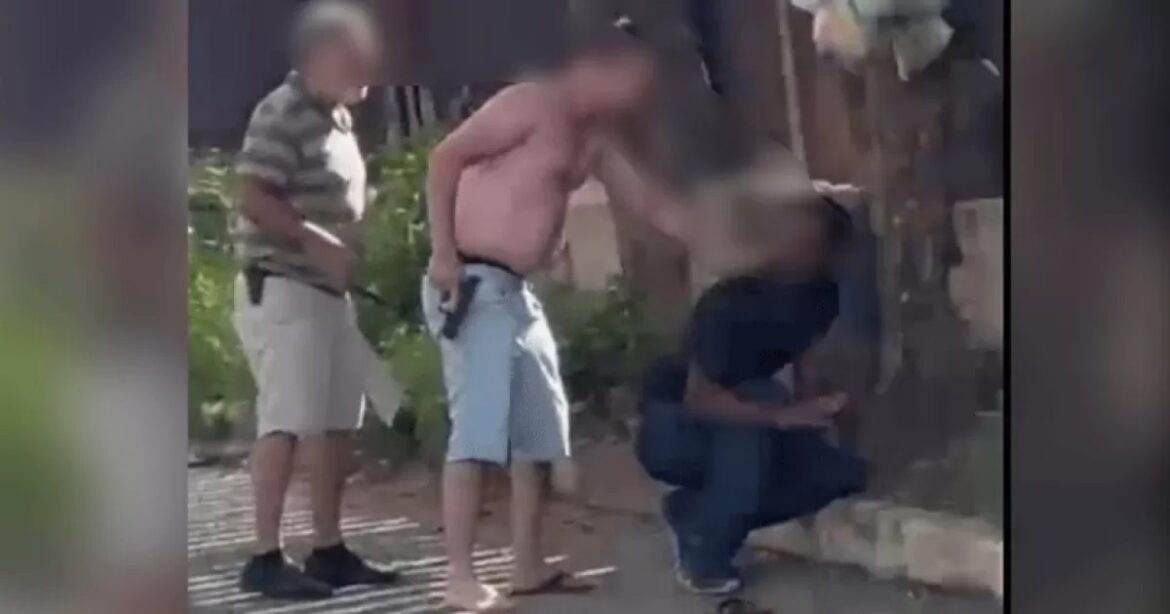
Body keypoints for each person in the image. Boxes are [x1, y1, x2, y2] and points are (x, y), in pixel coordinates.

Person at [421, 18, 688, 612]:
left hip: (518, 295)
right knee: (477, 430)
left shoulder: (595, 140)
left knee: (537, 432)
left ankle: (526, 564)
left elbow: (649, 203)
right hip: (471, 280)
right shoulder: (529, 103)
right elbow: (445, 158)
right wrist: (443, 253)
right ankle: (459, 576)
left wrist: (719, 228)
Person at [230, 0, 398, 600]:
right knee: (288, 419)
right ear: (320, 56)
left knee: (337, 421)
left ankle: (328, 549)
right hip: (283, 285)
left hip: (328, 292)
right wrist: (314, 238)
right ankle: (263, 556)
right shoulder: (282, 111)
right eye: (355, 57)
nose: (366, 69)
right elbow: (253, 195)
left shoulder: (338, 119)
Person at [636, 196, 868, 595]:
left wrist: (819, 412)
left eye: (810, 244)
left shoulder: (820, 294)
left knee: (843, 474)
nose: (791, 249)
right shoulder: (729, 302)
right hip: (674, 430)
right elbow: (700, 400)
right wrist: (782, 416)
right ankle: (706, 558)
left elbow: (805, 360)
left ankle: (692, 511)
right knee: (760, 403)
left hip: (746, 421)